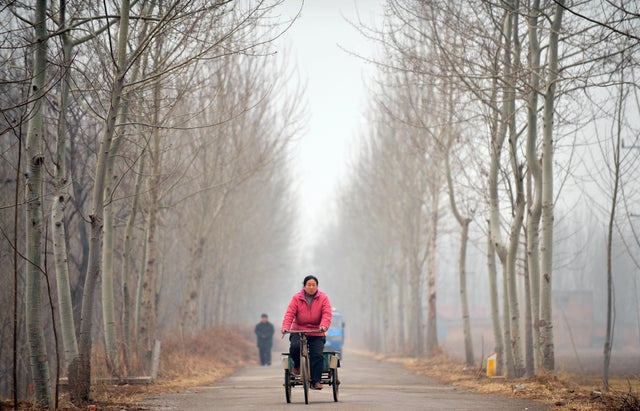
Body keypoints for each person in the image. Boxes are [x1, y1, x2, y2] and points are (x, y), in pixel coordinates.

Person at [281, 275, 332, 390]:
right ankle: (298, 366)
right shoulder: (296, 298)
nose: (311, 287)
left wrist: (324, 326)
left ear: (317, 286)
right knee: (294, 346)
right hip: (299, 330)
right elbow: (290, 314)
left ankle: (316, 381)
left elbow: (327, 314)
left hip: (317, 331)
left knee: (317, 355)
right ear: (304, 286)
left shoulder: (323, 298)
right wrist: (285, 327)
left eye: (314, 285)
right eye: (309, 284)